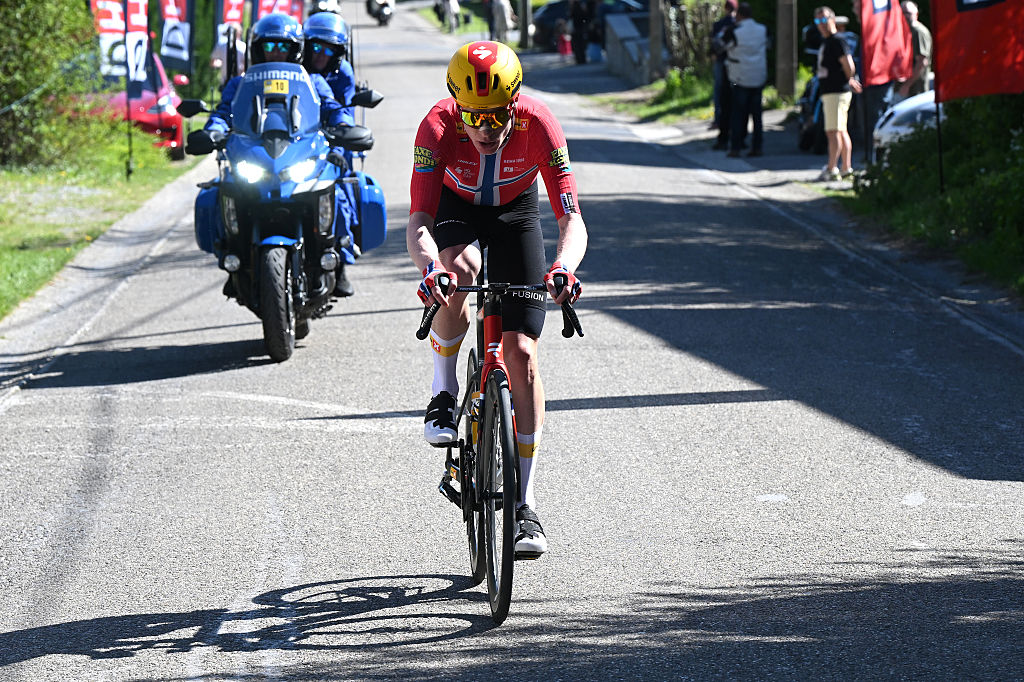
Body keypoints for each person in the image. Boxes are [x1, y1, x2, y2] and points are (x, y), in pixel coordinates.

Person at [407, 42, 588, 557]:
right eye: (474, 118)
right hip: (455, 207)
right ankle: (443, 392)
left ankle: (525, 505)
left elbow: (570, 218)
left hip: (516, 214)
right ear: (458, 109)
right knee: (460, 271)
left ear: (514, 105)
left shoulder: (540, 124)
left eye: (496, 117)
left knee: (523, 354)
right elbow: (419, 222)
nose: (485, 129)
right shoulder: (436, 127)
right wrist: (430, 268)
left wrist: (564, 268)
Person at [303, 11, 359, 297]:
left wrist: (337, 148)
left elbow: (344, 115)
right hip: (298, 143)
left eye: (328, 49)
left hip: (334, 143)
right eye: (315, 47)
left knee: (340, 192)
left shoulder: (343, 73)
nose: (320, 55)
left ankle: (339, 261)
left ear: (338, 52)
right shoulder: (292, 69)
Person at [813, 6, 861, 180]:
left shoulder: (837, 40)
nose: (822, 24)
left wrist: (850, 79)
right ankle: (845, 167)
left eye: (824, 20)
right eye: (818, 21)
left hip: (837, 91)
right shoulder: (827, 41)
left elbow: (848, 63)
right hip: (831, 91)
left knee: (833, 131)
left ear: (833, 19)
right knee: (840, 130)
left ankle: (832, 168)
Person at [723, 2, 767, 158]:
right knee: (757, 115)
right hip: (759, 76)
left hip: (739, 78)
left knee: (738, 114)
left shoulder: (733, 31)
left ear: (739, 15)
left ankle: (736, 147)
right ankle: (757, 147)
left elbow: (720, 46)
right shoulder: (762, 29)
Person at [709, 0, 737, 145]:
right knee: (736, 95)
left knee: (719, 91)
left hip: (721, 62)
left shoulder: (719, 24)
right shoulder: (737, 25)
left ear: (725, 8)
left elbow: (714, 45)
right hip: (736, 64)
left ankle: (718, 119)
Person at [897, 1, 931, 99]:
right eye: (903, 13)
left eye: (908, 13)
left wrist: (907, 85)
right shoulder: (905, 31)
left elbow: (922, 62)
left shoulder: (919, 32)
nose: (905, 16)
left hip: (916, 89)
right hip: (903, 88)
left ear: (916, 14)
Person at [209, 22, 247, 88]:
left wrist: (223, 63)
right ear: (239, 33)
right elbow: (245, 66)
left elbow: (212, 62)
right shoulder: (243, 46)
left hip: (225, 82)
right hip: (240, 82)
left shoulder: (220, 45)